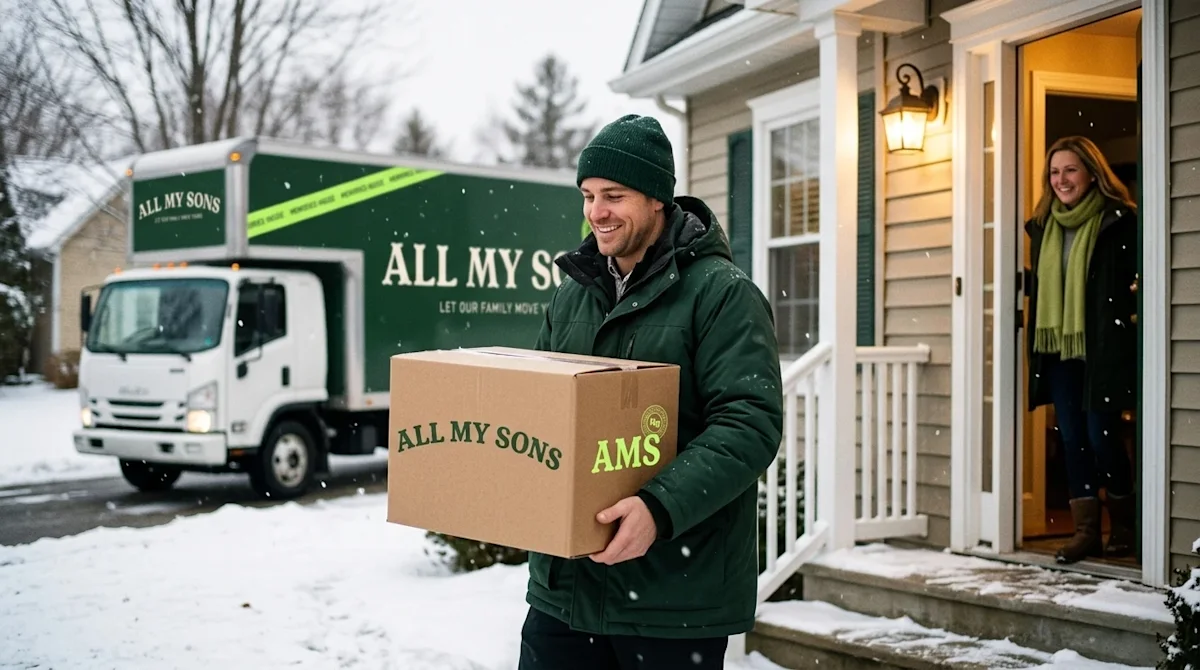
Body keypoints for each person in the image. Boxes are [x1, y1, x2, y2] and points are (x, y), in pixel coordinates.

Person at [519, 114, 784, 669]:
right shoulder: (572, 295)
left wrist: (658, 508)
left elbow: (749, 423)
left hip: (672, 597)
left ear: (658, 199)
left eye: (614, 195)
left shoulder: (721, 295)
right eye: (588, 196)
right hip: (564, 593)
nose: (596, 212)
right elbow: (543, 409)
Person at [1024, 135, 1139, 565]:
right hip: (1059, 349)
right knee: (1073, 439)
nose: (1061, 180)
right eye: (1054, 172)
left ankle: (1124, 525)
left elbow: (1133, 284)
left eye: (1070, 170)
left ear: (1092, 172)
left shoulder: (1120, 220)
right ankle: (1086, 531)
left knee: (1102, 436)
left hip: (1103, 345)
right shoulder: (1043, 225)